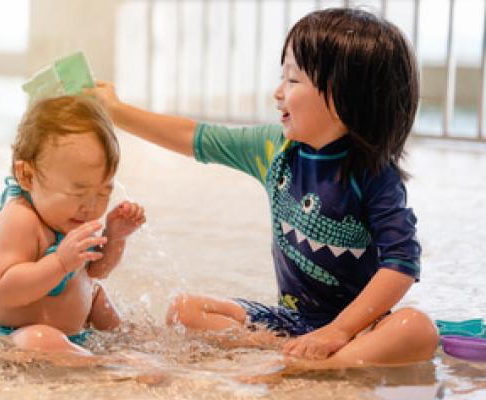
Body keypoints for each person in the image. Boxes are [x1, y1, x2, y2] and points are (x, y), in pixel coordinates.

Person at [86, 7, 438, 369]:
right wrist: (116, 111)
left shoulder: (373, 175)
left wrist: (339, 331)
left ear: (343, 97)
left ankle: (321, 365)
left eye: (293, 80)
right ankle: (288, 352)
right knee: (185, 309)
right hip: (290, 323)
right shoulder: (274, 149)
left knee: (417, 328)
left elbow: (402, 262)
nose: (278, 92)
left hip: (359, 328)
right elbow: (194, 138)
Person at [0, 95, 146, 357]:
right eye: (79, 192)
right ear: (27, 176)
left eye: (103, 192)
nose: (91, 207)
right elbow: (4, 289)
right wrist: (60, 263)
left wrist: (115, 236)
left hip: (75, 336)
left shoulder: (73, 215)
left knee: (96, 295)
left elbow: (96, 271)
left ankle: (133, 345)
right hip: (10, 339)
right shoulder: (21, 219)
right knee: (39, 338)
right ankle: (106, 367)